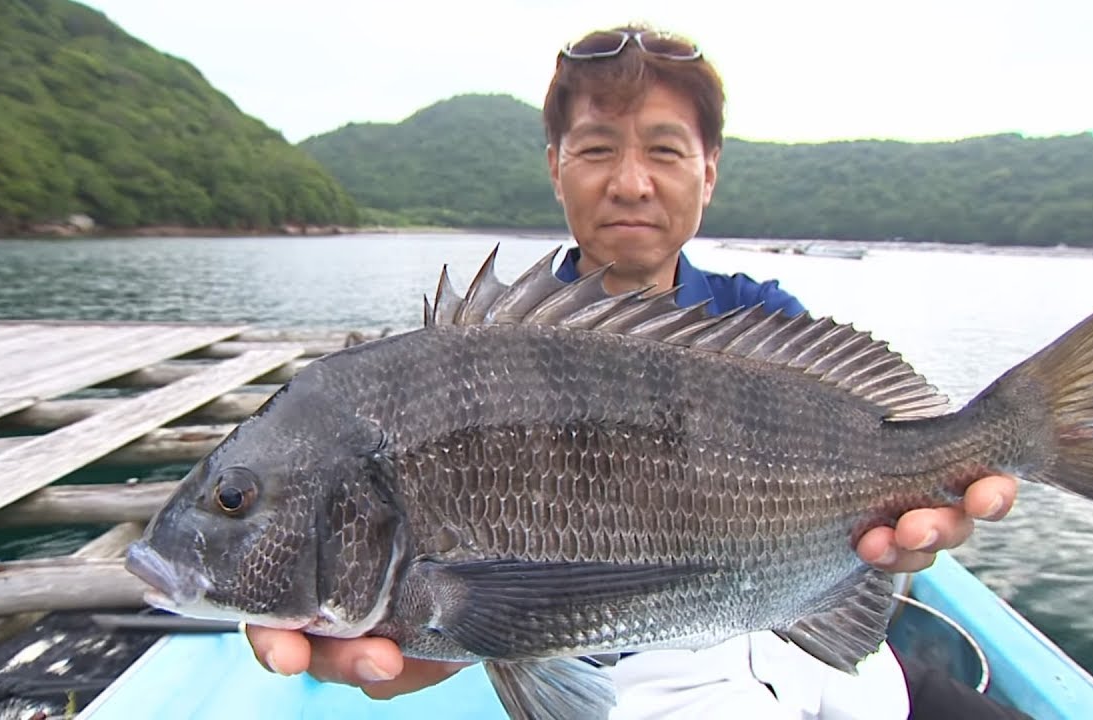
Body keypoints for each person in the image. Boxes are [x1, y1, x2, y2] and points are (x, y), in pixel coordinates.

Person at [245, 24, 1022, 718]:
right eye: (595, 149)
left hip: (798, 635)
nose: (630, 182)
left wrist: (934, 479)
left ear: (709, 171)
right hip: (639, 675)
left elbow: (894, 451)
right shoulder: (471, 362)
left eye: (664, 149)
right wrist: (454, 633)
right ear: (555, 168)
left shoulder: (766, 324)